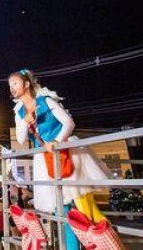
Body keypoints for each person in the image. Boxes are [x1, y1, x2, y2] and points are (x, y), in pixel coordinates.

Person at [10, 68, 110, 219]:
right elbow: (21, 140)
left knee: (81, 199)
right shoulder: (19, 112)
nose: (12, 88)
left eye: (15, 83)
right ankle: (77, 238)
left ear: (26, 84)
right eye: (10, 85)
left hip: (64, 150)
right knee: (60, 204)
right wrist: (25, 121)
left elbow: (69, 123)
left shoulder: (46, 101)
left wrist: (57, 141)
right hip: (43, 158)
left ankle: (99, 234)